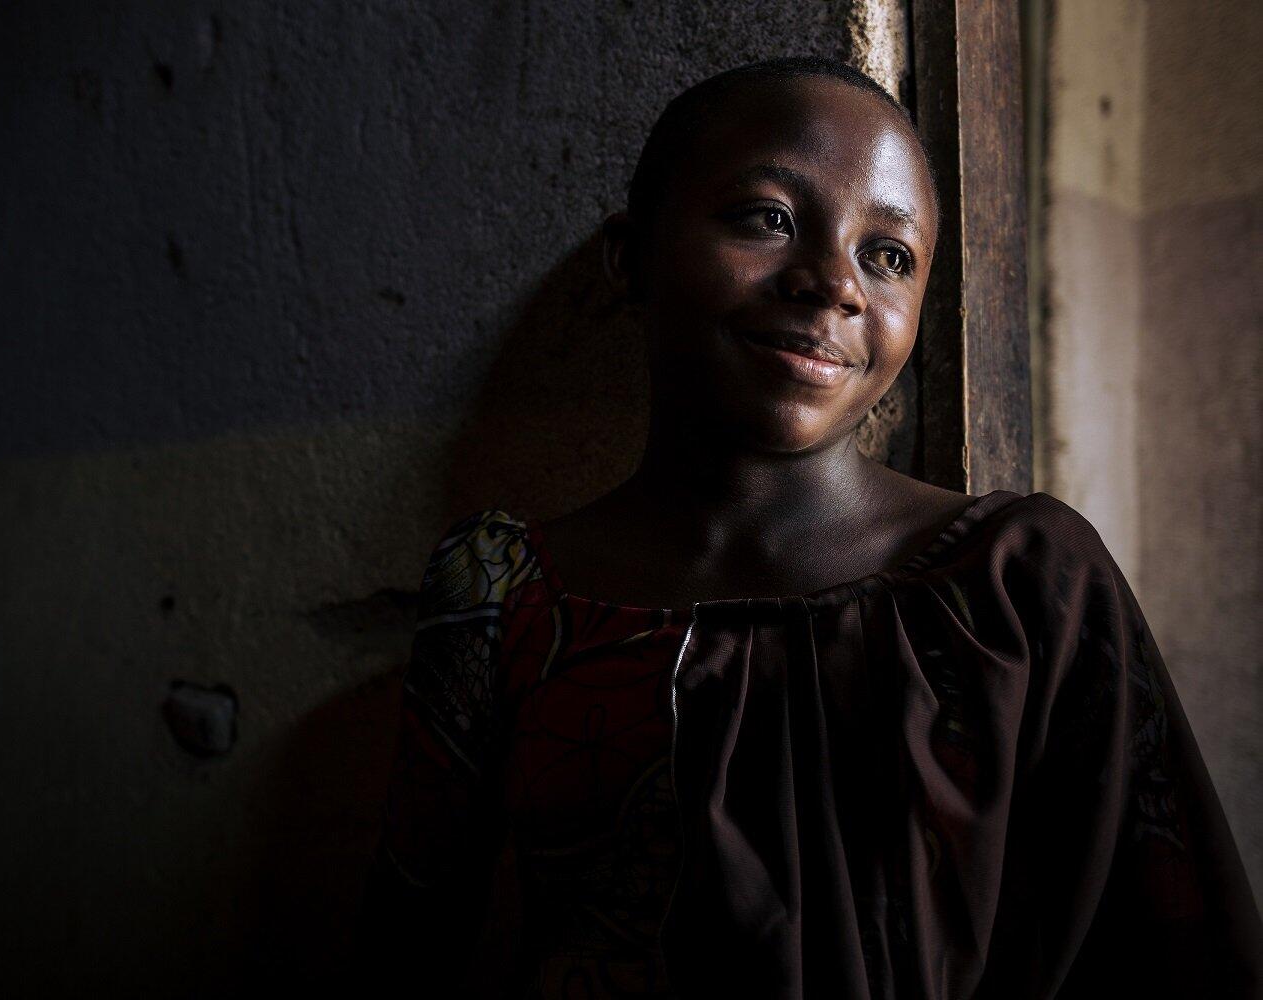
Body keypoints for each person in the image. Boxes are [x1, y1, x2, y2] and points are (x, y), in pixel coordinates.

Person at [356, 57, 1263, 998]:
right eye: (768, 218)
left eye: (890, 255)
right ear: (630, 257)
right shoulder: (505, 598)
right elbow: (410, 951)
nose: (834, 282)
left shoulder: (1020, 584)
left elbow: (1173, 950)